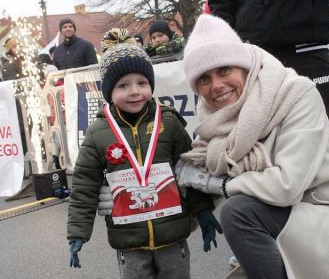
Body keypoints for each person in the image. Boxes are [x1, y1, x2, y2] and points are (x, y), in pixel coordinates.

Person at [176, 14, 329, 278]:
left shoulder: (296, 94)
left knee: (238, 212)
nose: (217, 85)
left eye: (224, 70)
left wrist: (219, 185)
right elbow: (207, 178)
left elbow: (286, 186)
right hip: (296, 221)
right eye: (204, 79)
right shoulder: (216, 121)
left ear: (244, 67)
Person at [66, 30, 221, 279]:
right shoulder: (98, 133)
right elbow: (84, 186)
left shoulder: (169, 122)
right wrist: (77, 233)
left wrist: (203, 212)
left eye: (142, 83)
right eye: (123, 85)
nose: (134, 91)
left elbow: (189, 171)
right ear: (109, 92)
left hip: (173, 235)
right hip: (129, 240)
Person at [208, 0, 329, 132]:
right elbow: (222, 0)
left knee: (322, 137)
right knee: (262, 141)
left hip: (308, 49)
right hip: (255, 56)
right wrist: (228, 54)